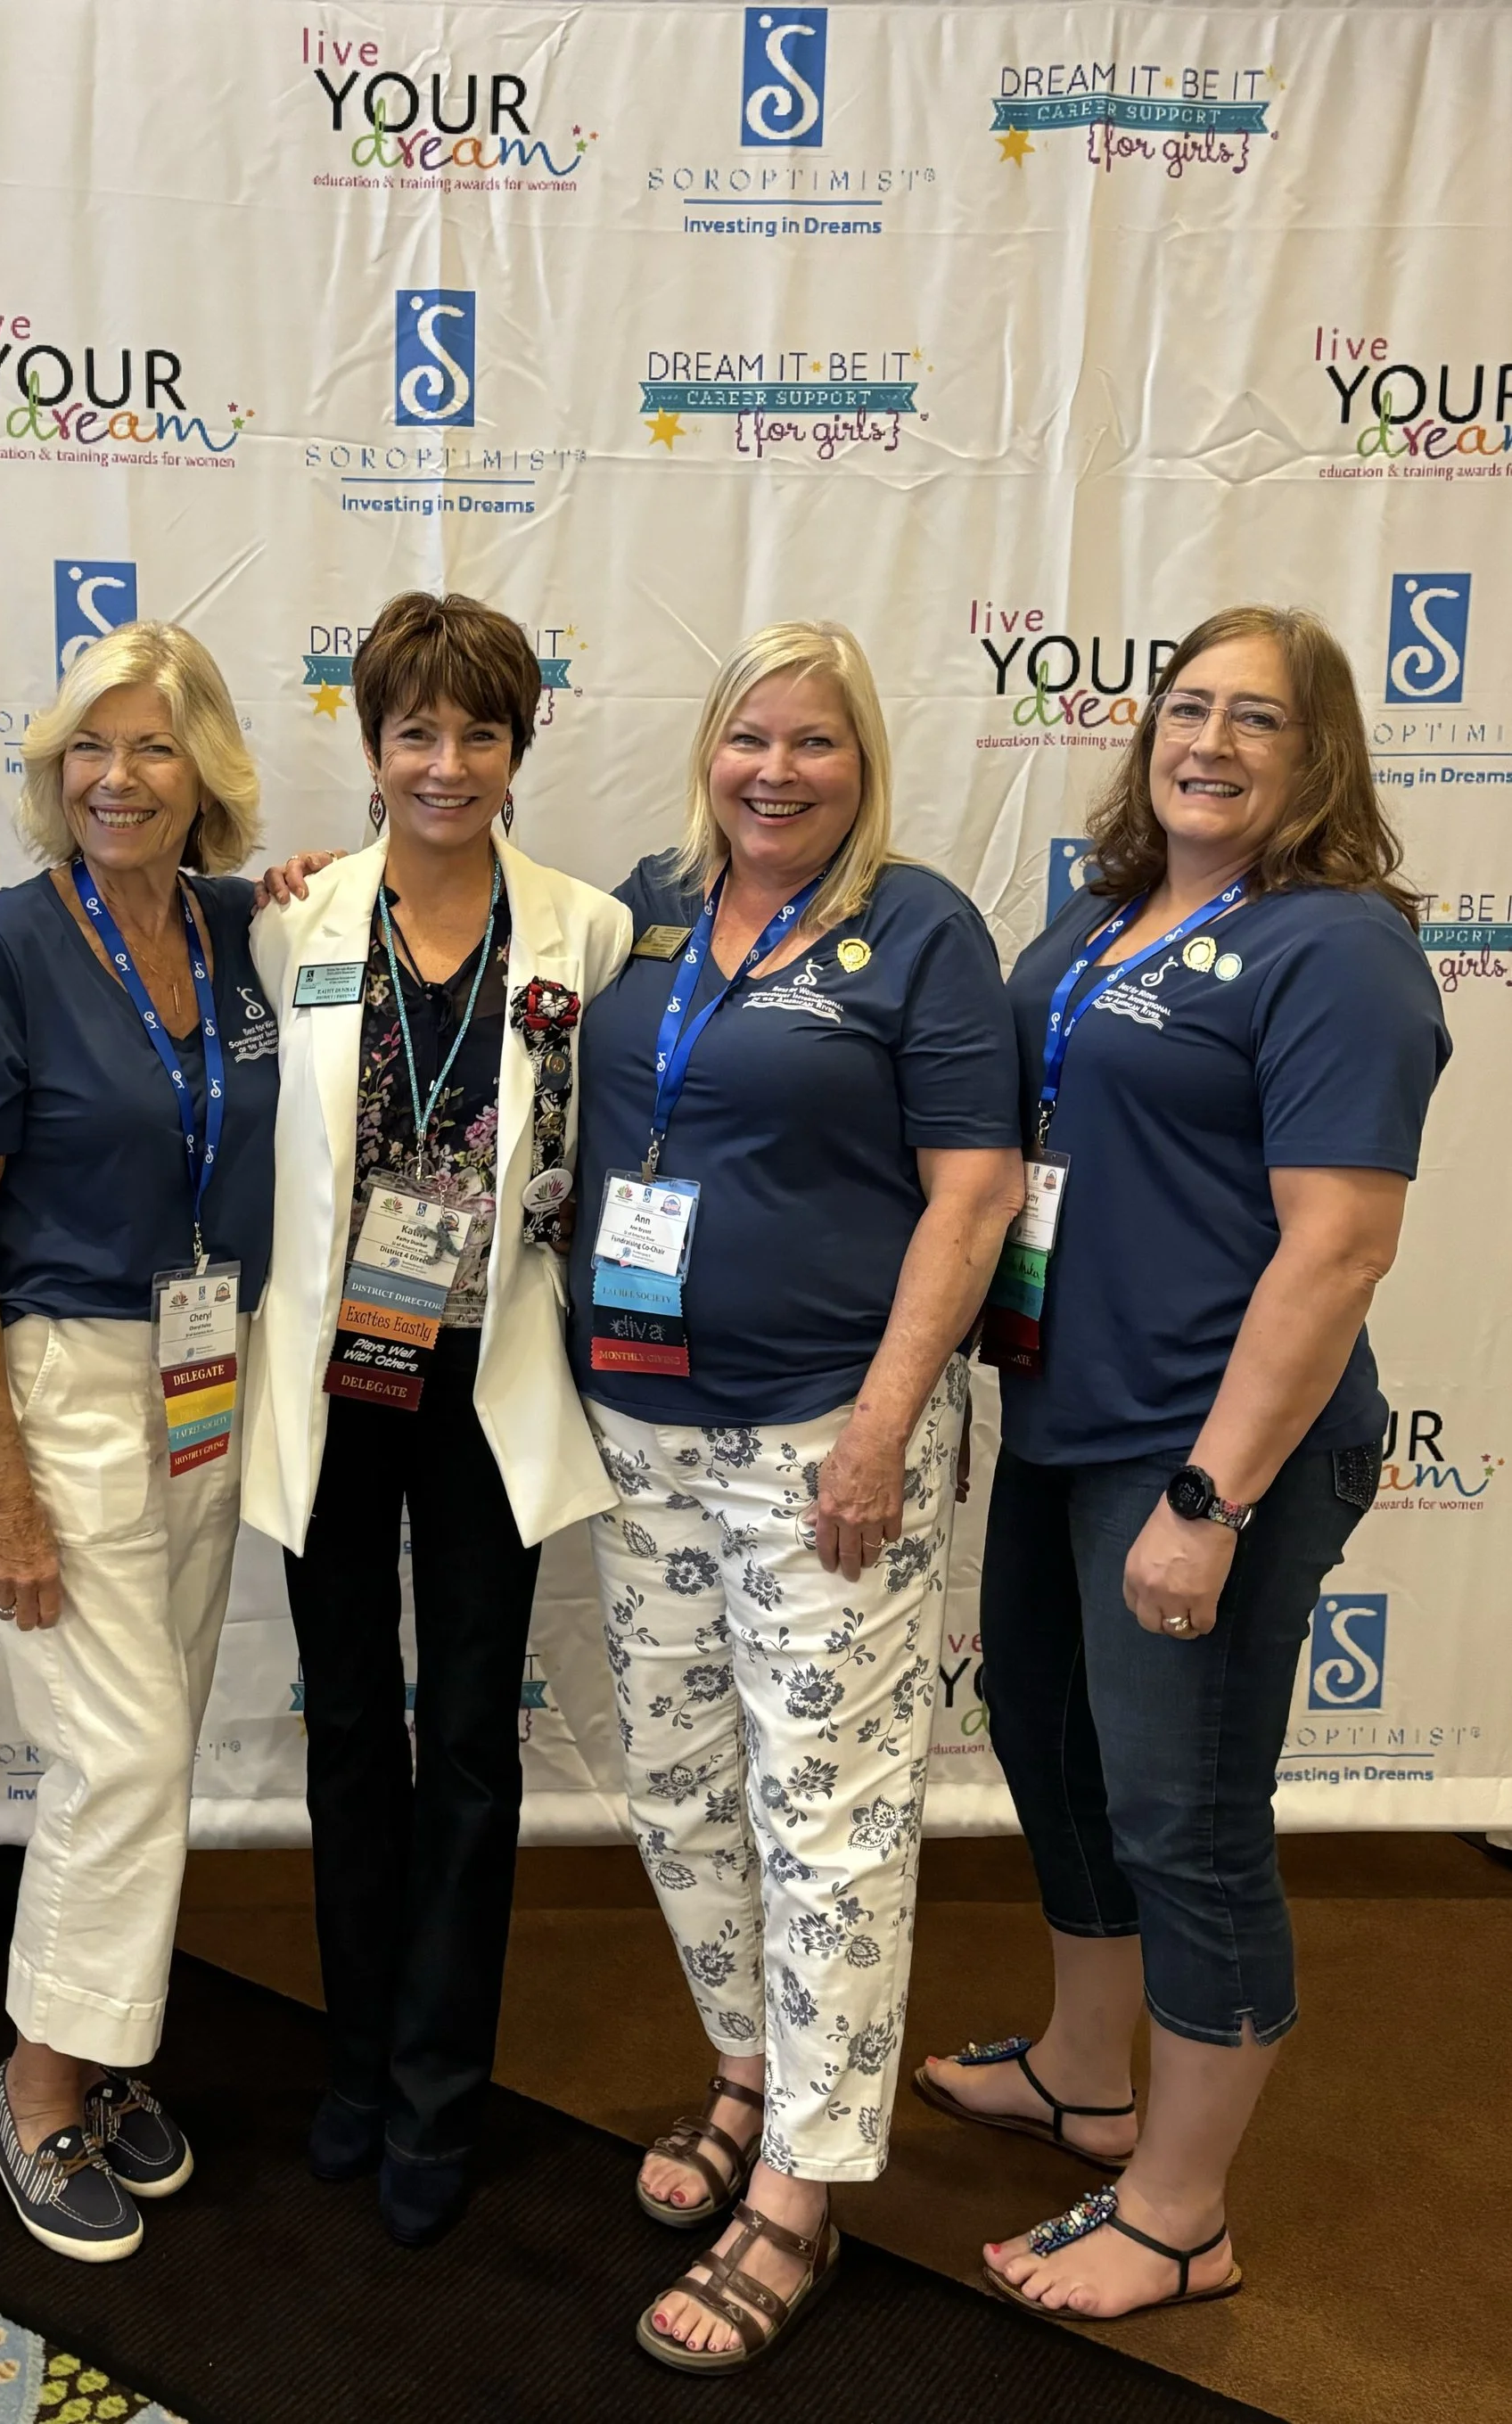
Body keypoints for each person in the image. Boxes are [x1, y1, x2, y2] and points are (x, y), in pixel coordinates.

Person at [916, 605, 1449, 2320]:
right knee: (1052, 1753)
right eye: (1188, 707)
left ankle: (1182, 2210)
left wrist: (1208, 1502)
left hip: (1213, 1450)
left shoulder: (1338, 949)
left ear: (1321, 757)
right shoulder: (1096, 915)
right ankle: (1088, 2073)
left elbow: (1339, 1249)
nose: (1208, 741)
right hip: (1066, 1416)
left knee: (1189, 1818)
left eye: (1260, 721)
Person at [567, 621, 1024, 2373]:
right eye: (748, 737)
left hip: (827, 1442)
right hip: (641, 1430)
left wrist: (878, 1428)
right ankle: (750, 2071)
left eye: (812, 744)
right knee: (682, 1787)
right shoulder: (648, 911)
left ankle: (803, 2195)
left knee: (824, 1817)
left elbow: (970, 1196)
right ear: (708, 750)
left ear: (861, 765)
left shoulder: (917, 929)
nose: (775, 771)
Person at [241, 591, 630, 2246]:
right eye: (417, 730)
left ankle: (438, 2091)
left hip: (489, 1384)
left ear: (520, 748)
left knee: (469, 1744)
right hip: (337, 1380)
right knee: (347, 1736)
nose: (447, 761)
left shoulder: (587, 935)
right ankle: (353, 2066)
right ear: (372, 743)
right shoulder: (294, 921)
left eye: (481, 731)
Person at [0, 621, 278, 2263]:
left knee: (161, 1735)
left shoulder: (238, 925)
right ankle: (38, 2083)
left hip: (213, 1375)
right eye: (88, 749)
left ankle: (111, 2042)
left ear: (208, 773)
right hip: (64, 1375)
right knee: (117, 1753)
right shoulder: (1, 943)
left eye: (152, 748)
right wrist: (1, 1479)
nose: (116, 780)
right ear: (53, 771)